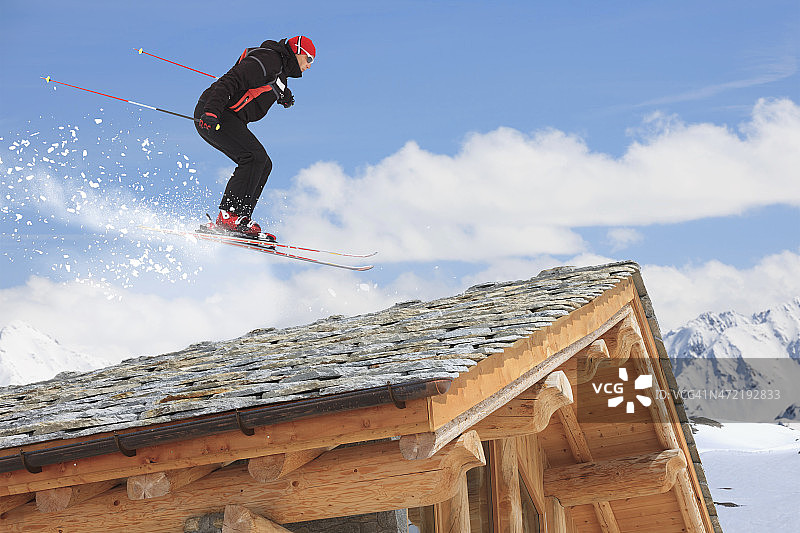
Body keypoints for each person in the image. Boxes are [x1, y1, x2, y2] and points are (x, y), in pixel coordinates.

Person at [194, 35, 315, 239]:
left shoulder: (279, 70)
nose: (309, 65)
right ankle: (229, 216)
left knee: (264, 163)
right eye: (309, 58)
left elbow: (269, 83)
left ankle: (239, 219)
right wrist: (211, 112)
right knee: (253, 157)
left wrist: (283, 95)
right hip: (216, 113)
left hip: (229, 117)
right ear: (297, 50)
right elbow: (230, 80)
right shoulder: (268, 60)